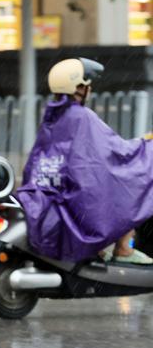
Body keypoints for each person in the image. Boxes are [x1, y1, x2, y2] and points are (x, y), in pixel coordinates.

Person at [16, 58, 153, 264]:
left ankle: (99, 250)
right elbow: (116, 151)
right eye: (87, 85)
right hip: (77, 195)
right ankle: (124, 248)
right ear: (79, 87)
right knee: (136, 179)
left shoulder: (53, 115)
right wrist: (144, 145)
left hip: (52, 196)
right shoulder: (81, 116)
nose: (89, 89)